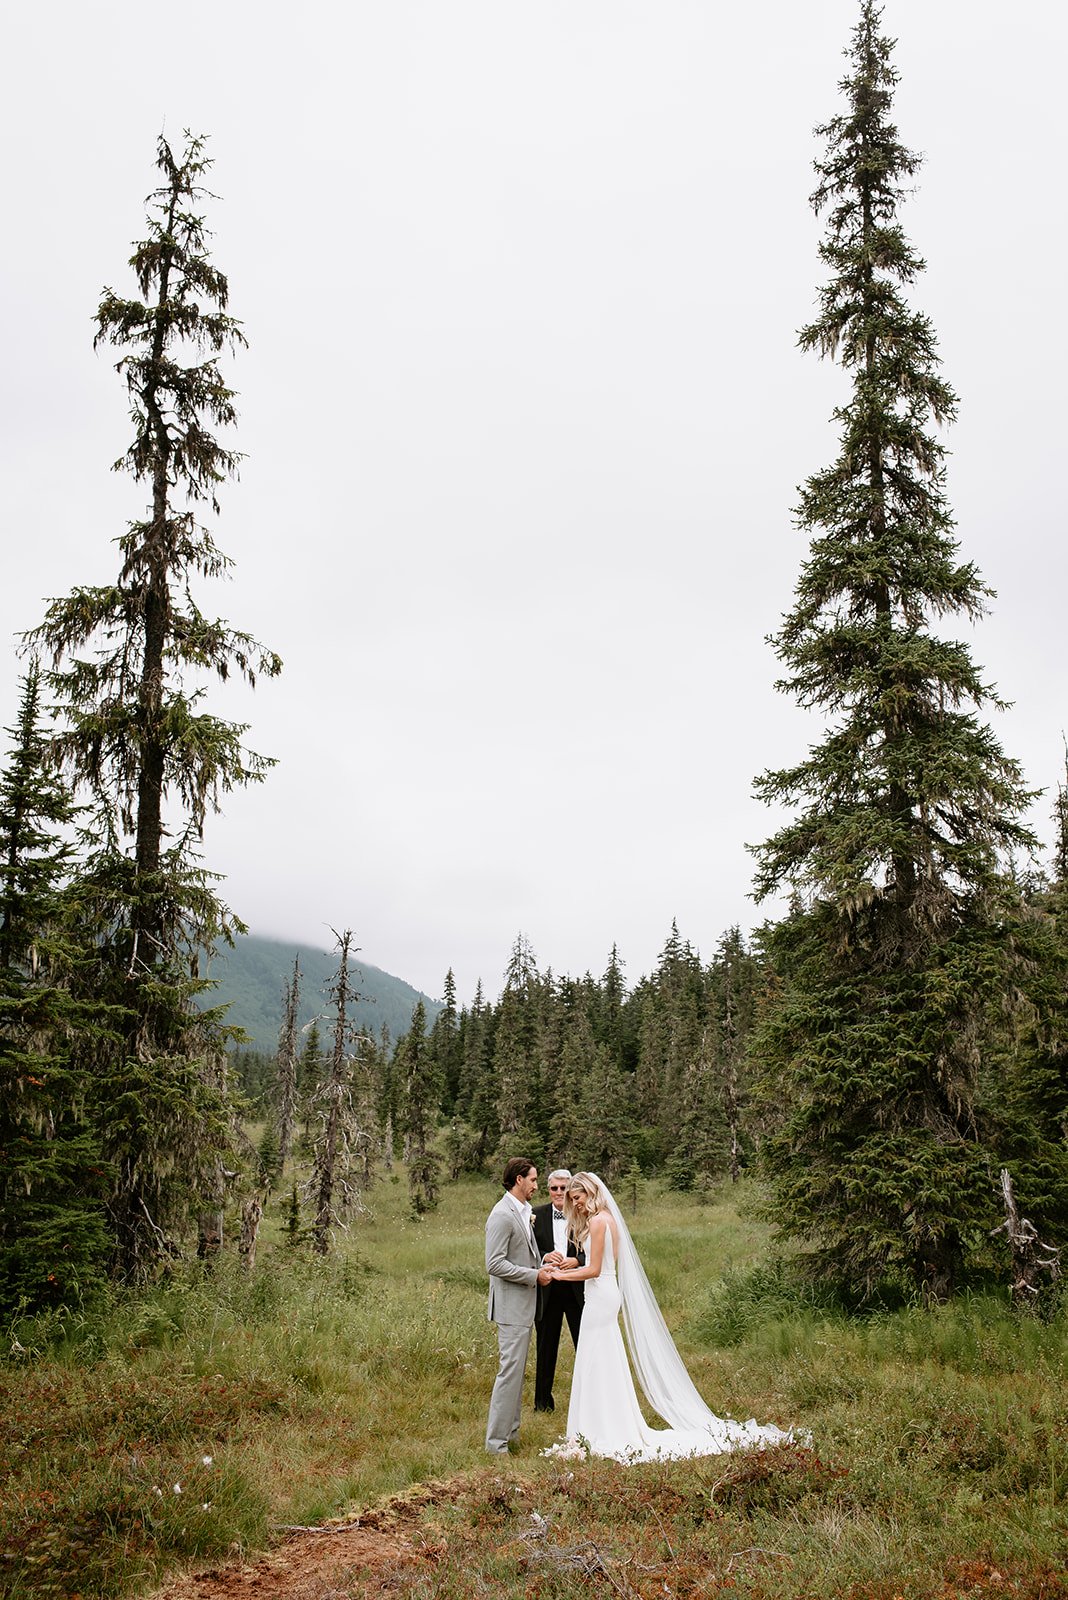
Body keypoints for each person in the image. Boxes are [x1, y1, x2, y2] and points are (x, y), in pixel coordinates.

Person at [548, 1172, 793, 1462]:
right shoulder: (605, 1219)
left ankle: (601, 1428)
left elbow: (594, 1269)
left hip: (600, 1295)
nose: (575, 1204)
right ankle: (600, 1425)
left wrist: (560, 1275)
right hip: (602, 1294)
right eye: (573, 1200)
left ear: (591, 1192)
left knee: (594, 1356)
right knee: (601, 1357)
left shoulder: (600, 1221)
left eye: (578, 1198)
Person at [484, 1158, 554, 1455]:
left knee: (516, 1375)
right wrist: (534, 1276)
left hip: (524, 1307)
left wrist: (543, 1261)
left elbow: (521, 1252)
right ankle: (495, 1446)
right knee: (508, 1375)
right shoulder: (502, 1215)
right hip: (512, 1309)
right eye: (533, 1181)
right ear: (518, 1180)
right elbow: (494, 1263)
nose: (537, 1186)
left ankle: (510, 1437)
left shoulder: (522, 1212)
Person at [531, 1168, 585, 1412]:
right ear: (548, 1189)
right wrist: (544, 1257)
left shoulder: (582, 1212)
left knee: (584, 1344)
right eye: (555, 1188)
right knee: (545, 1346)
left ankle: (587, 1401)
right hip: (548, 1287)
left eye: (564, 1188)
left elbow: (596, 1246)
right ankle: (542, 1403)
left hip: (576, 1288)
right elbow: (527, 1250)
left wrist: (578, 1260)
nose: (560, 1193)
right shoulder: (535, 1215)